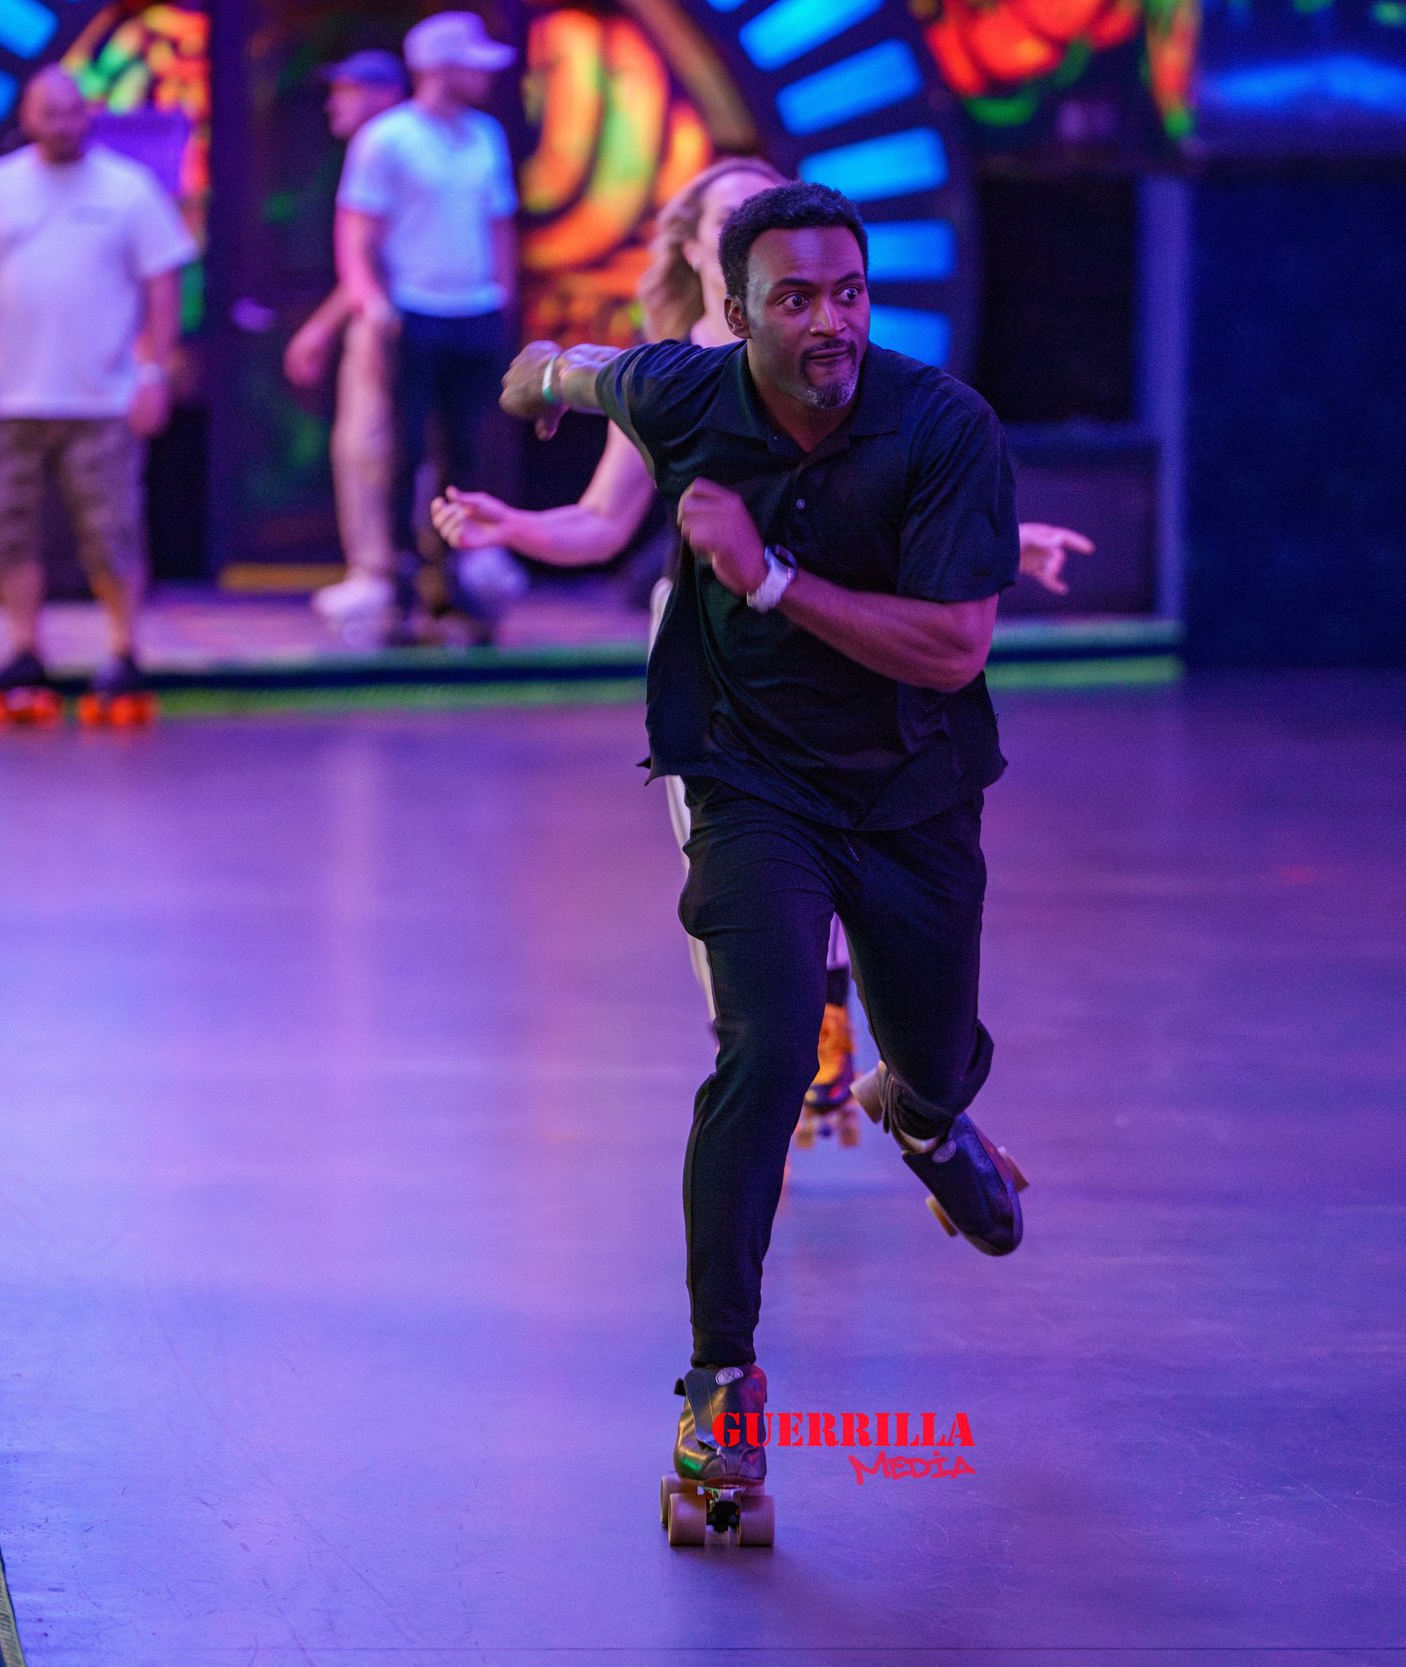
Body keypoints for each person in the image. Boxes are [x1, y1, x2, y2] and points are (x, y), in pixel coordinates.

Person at [494, 182, 1030, 1498]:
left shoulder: (944, 426)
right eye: (795, 298)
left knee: (931, 1052)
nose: (830, 322)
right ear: (737, 311)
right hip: (747, 782)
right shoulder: (687, 390)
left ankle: (928, 1111)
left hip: (913, 791)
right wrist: (546, 382)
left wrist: (769, 580)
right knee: (771, 1047)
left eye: (848, 293)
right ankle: (720, 1380)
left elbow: (957, 646)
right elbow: (556, 369)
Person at [431, 157, 1091, 1135]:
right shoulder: (665, 374)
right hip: (718, 643)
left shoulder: (833, 355)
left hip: (833, 633)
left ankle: (872, 1054)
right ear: (702, 250)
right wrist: (512, 526)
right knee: (742, 862)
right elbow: (600, 524)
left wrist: (1007, 541)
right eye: (734, 218)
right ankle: (774, 1062)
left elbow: (912, 480)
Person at [0, 68, 195, 710]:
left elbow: (163, 285)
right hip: (11, 396)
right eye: (50, 114)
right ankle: (25, 650)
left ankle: (123, 651)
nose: (64, 125)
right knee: (6, 529)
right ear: (28, 118)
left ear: (90, 114)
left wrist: (153, 372)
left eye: (73, 112)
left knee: (112, 529)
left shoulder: (128, 188)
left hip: (103, 397)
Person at [335, 11, 520, 646]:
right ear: (440, 68)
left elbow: (499, 225)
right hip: (412, 312)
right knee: (404, 452)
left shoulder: (486, 137)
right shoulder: (387, 139)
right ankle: (400, 588)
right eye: (473, 64)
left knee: (467, 455)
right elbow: (357, 235)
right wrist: (372, 302)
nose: (485, 76)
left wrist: (503, 300)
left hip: (474, 313)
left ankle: (460, 583)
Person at [285, 50, 409, 648]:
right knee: (367, 446)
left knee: (372, 447)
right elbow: (362, 260)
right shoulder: (387, 149)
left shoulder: (388, 146)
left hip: (396, 323)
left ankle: (379, 573)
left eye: (348, 89)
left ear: (384, 94)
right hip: (382, 317)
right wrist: (324, 325)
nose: (335, 102)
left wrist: (326, 326)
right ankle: (382, 571)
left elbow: (373, 257)